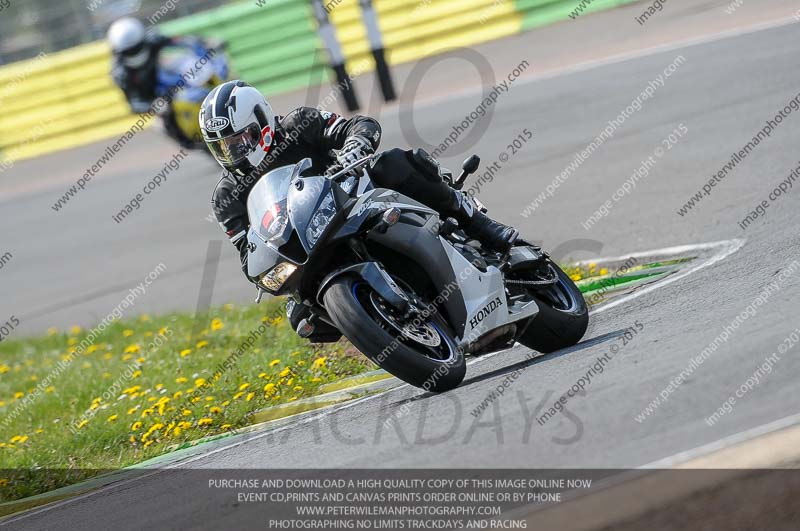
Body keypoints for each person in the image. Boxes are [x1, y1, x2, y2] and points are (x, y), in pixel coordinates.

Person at [202, 80, 518, 336]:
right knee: (301, 318)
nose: (234, 151)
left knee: (391, 163)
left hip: (354, 200)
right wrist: (262, 269)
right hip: (307, 247)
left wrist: (355, 144)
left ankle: (477, 223)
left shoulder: (298, 124)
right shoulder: (226, 197)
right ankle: (381, 326)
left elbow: (359, 125)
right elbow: (248, 252)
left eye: (240, 139)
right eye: (222, 146)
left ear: (262, 122)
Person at [107, 17, 212, 146]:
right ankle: (192, 142)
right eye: (128, 51)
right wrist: (153, 105)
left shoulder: (153, 40)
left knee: (188, 63)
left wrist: (204, 42)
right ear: (118, 52)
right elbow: (133, 104)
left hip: (170, 77)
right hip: (157, 98)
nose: (134, 53)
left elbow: (179, 40)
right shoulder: (121, 74)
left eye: (136, 47)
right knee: (164, 121)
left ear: (142, 39)